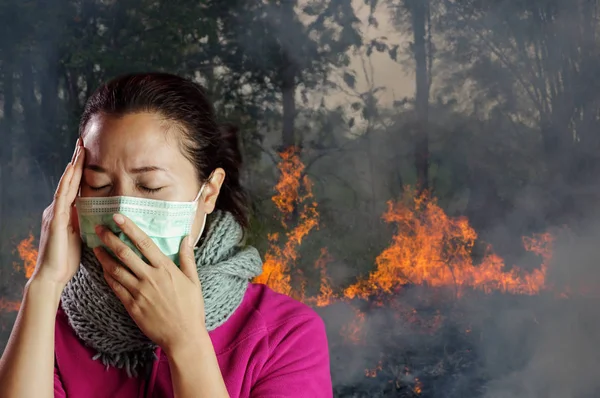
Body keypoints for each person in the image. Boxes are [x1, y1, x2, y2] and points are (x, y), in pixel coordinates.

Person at [0, 72, 332, 397]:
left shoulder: (285, 334)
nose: (121, 215)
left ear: (209, 191)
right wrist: (44, 284)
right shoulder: (48, 328)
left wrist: (185, 340)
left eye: (150, 186)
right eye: (99, 186)